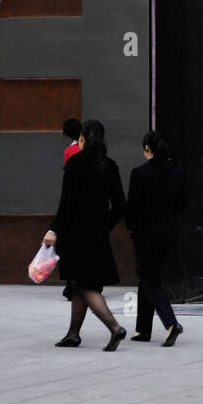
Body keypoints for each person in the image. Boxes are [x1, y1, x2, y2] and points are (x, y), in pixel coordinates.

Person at [43, 119, 128, 351]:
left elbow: (66, 203)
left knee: (83, 285)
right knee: (79, 282)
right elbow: (120, 205)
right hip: (97, 236)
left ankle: (114, 327)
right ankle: (73, 334)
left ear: (82, 139)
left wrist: (54, 229)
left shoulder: (75, 163)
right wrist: (104, 225)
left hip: (74, 235)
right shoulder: (110, 166)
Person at [126, 130, 187, 347]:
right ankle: (143, 329)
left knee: (148, 280)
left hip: (145, 235)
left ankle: (171, 323)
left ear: (147, 149)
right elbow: (181, 206)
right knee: (149, 278)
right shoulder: (176, 173)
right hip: (167, 234)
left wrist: (131, 227)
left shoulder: (139, 173)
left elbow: (132, 208)